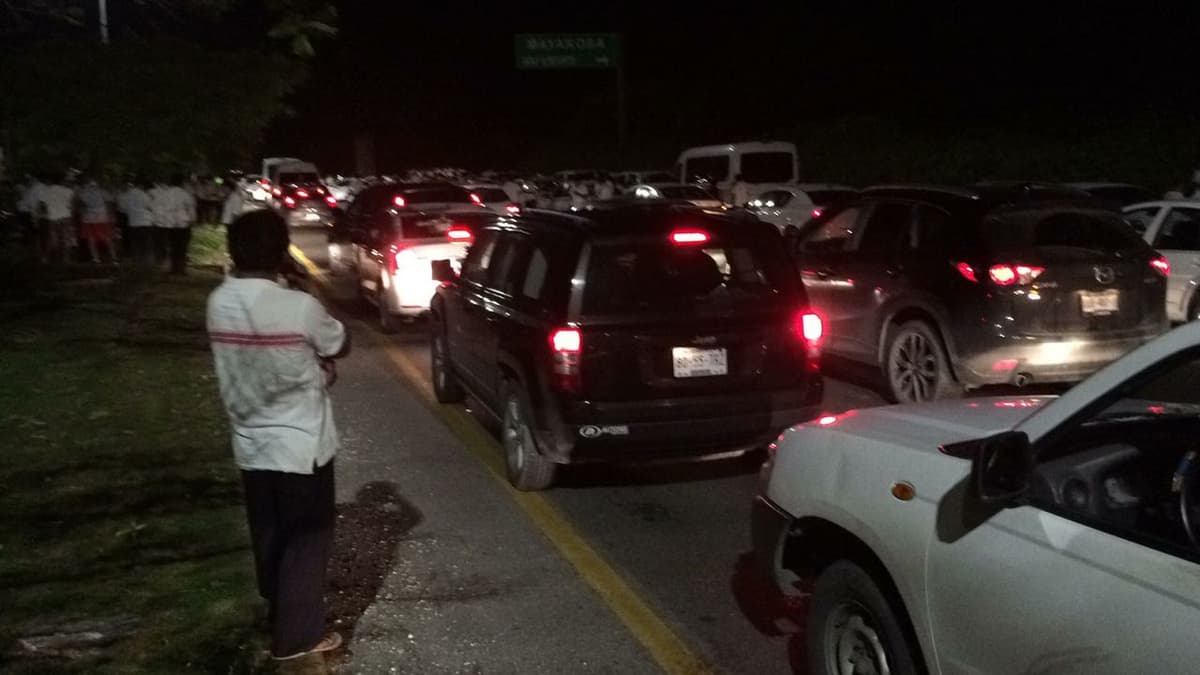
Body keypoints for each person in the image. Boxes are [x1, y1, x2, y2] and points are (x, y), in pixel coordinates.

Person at [206, 210, 348, 663]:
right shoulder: (297, 306)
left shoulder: (219, 302)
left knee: (268, 532)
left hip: (249, 438)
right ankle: (297, 637)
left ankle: (277, 612)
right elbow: (337, 342)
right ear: (281, 251)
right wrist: (320, 371)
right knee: (307, 539)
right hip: (300, 443)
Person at [38, 173, 77, 264]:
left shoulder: (45, 191)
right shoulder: (68, 191)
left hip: (52, 218)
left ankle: (49, 258)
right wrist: (72, 215)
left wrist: (43, 214)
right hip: (66, 217)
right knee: (66, 239)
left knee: (52, 239)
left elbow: (42, 206)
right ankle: (66, 259)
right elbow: (73, 205)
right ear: (61, 181)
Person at [77, 177, 117, 264]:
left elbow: (80, 200)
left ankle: (96, 258)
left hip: (89, 218)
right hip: (101, 217)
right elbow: (111, 199)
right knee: (107, 238)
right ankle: (114, 258)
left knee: (91, 239)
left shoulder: (84, 193)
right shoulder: (102, 191)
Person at [118, 179, 154, 265]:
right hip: (145, 222)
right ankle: (145, 261)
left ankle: (136, 260)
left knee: (135, 242)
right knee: (146, 243)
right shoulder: (144, 195)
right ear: (141, 186)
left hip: (133, 222)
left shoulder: (127, 195)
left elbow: (123, 209)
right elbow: (150, 207)